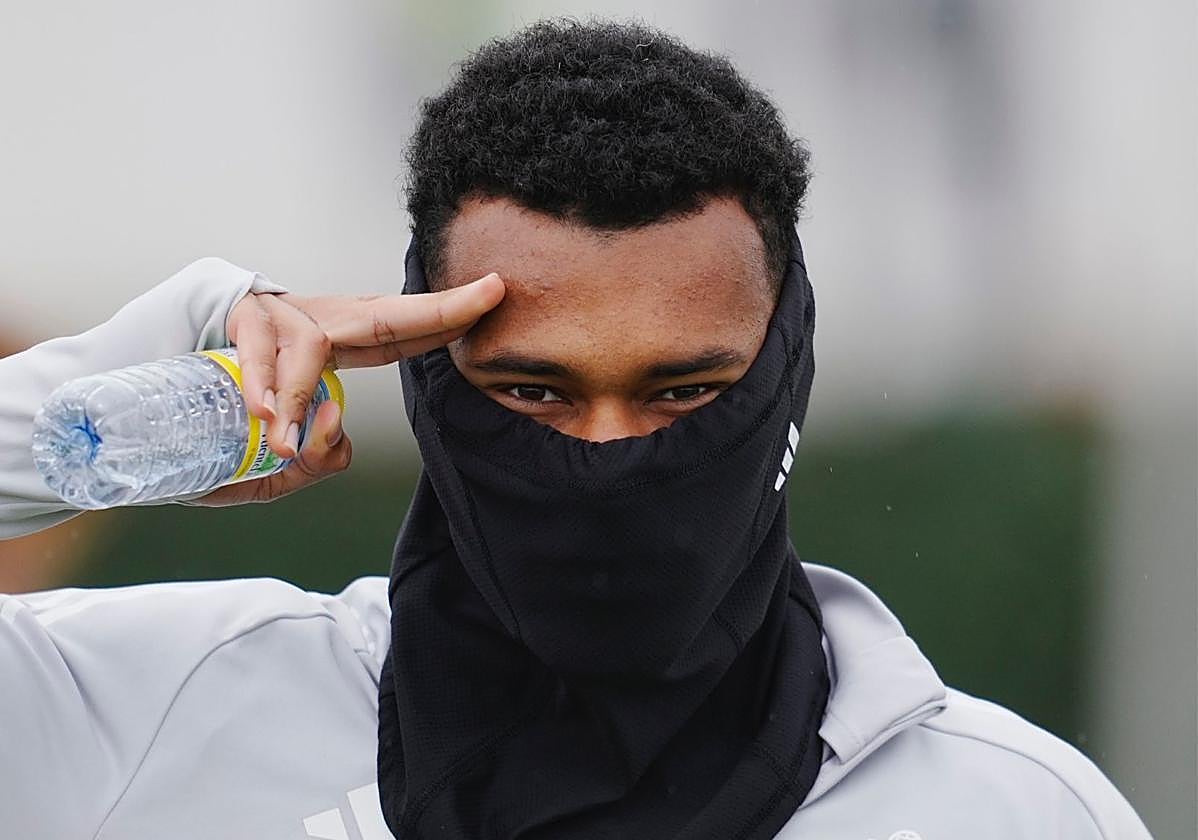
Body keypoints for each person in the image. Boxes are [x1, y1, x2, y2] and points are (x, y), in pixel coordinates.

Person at [0, 18, 1151, 840]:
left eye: (684, 394)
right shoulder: (144, 716)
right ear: (425, 373)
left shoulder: (1014, 809)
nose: (608, 455)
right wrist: (139, 363)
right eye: (532, 394)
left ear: (785, 374)